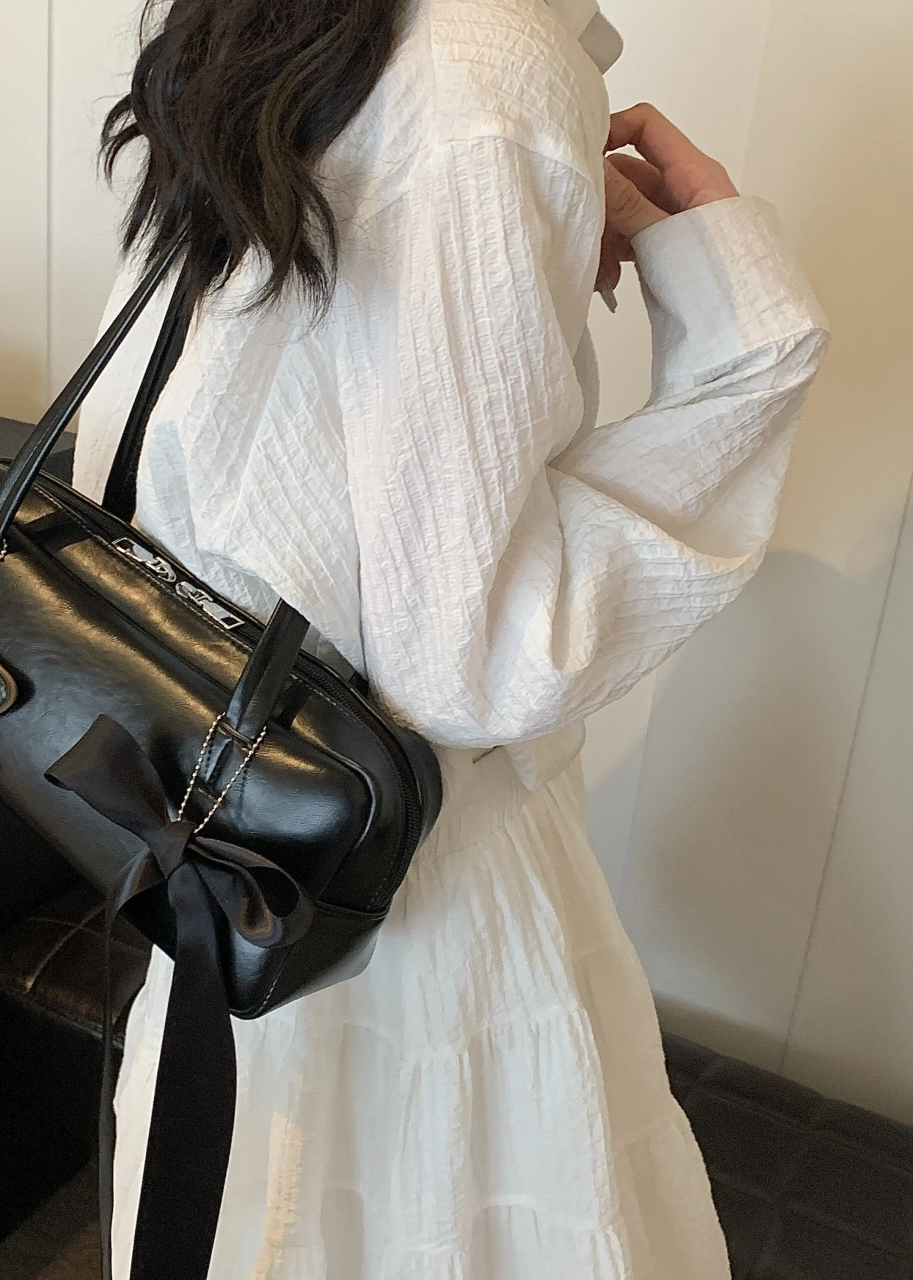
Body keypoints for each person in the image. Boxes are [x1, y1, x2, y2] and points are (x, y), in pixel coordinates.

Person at [73, 0, 830, 1274]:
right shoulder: (491, 66)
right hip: (407, 896)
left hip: (233, 835)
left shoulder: (289, 27)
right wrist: (743, 325)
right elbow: (472, 662)